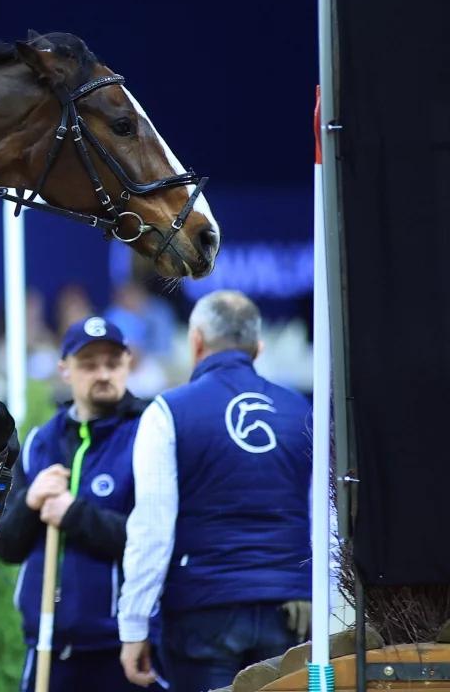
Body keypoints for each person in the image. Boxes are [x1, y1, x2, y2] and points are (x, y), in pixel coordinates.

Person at [118, 290, 313, 692]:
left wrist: (134, 624)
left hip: (202, 611)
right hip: (291, 613)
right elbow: (326, 516)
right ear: (258, 348)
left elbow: (152, 527)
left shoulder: (168, 411)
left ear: (196, 341)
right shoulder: (302, 411)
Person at [0, 317, 155, 692]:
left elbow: (154, 541)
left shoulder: (151, 432)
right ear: (64, 369)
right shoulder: (39, 443)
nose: (102, 373)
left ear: (128, 363)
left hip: (124, 646)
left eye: (112, 363)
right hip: (48, 643)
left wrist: (73, 515)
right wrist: (29, 503)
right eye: (88, 364)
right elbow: (5, 546)